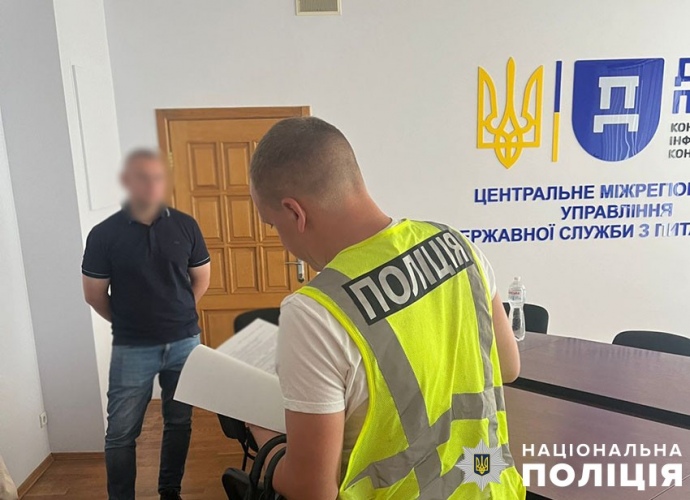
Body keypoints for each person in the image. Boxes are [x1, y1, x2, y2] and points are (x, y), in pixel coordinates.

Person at [248, 117, 525, 499]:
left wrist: (263, 437)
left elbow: (313, 490)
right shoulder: (457, 246)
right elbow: (508, 367)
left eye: (273, 225)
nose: (282, 241)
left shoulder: (314, 312)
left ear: (295, 212)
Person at [81, 150, 211, 500]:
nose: (151, 185)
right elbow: (94, 294)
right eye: (143, 177)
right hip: (132, 347)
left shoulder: (186, 225)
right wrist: (130, 322)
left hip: (184, 343)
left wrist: (177, 313)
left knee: (179, 421)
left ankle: (170, 490)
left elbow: (201, 278)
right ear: (127, 181)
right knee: (121, 433)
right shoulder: (104, 234)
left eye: (158, 177)